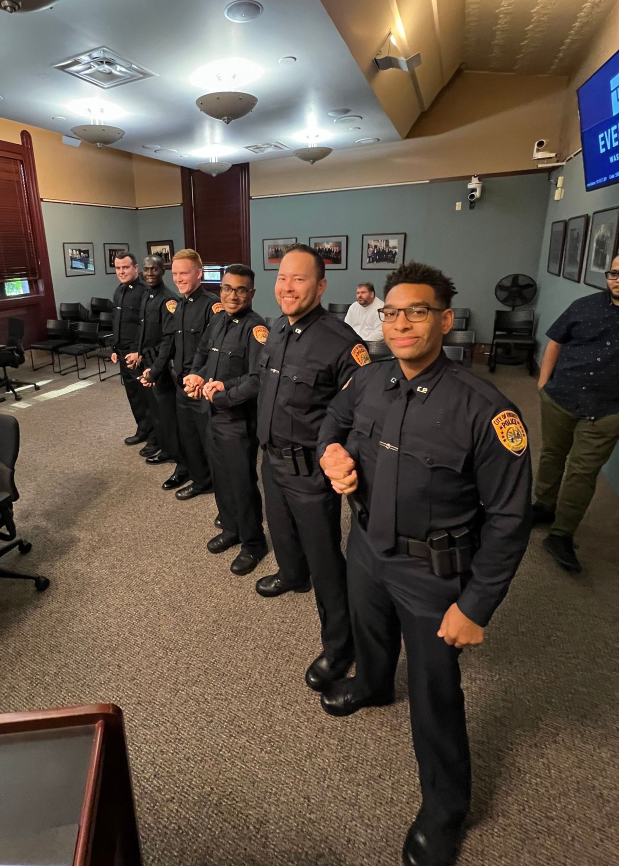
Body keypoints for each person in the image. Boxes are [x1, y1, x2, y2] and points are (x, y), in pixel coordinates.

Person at [317, 261, 532, 866]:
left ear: (444, 319)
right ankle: (372, 684)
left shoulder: (487, 411)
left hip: (433, 573)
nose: (402, 323)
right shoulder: (369, 380)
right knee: (369, 633)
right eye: (392, 312)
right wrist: (332, 453)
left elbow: (511, 521)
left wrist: (475, 604)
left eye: (417, 311)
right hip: (365, 545)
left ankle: (445, 810)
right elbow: (331, 425)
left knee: (437, 694)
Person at [254, 244, 370, 691]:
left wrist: (340, 459)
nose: (287, 286)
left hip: (308, 471)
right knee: (281, 533)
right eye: (282, 277)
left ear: (321, 286)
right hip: (272, 460)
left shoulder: (344, 344)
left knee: (326, 562)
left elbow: (361, 415)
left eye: (299, 279)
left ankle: (341, 648)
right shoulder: (275, 330)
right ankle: (290, 573)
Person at [533, 252, 619, 573]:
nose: (617, 280)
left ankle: (561, 533)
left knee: (582, 472)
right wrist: (543, 384)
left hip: (608, 411)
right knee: (552, 455)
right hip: (561, 397)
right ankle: (543, 505)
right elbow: (555, 340)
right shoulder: (584, 306)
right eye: (613, 274)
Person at [185, 263, 269, 575]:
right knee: (220, 478)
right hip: (211, 414)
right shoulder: (218, 319)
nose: (233, 295)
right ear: (220, 290)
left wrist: (224, 394)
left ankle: (253, 542)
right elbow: (202, 354)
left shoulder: (256, 328)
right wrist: (195, 374)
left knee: (242, 483)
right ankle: (232, 529)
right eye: (227, 288)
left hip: (237, 420)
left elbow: (257, 379)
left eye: (240, 289)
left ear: (252, 293)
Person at [141, 249, 221, 500]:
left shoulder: (212, 306)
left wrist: (201, 377)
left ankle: (215, 484)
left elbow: (216, 351)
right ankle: (197, 477)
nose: (178, 278)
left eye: (184, 273)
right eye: (175, 273)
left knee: (209, 441)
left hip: (201, 386)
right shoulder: (180, 305)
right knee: (186, 437)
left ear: (198, 273)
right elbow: (169, 343)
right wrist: (154, 371)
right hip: (180, 383)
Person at [132, 255, 182, 469]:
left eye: (155, 269)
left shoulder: (168, 299)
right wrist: (138, 352)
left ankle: (172, 451)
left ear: (163, 271)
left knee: (165, 411)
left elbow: (168, 340)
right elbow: (144, 329)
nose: (150, 273)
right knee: (153, 408)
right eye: (146, 269)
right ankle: (163, 445)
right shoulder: (146, 295)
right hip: (146, 360)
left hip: (159, 364)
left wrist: (156, 368)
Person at [110, 252, 151, 448]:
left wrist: (138, 351)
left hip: (137, 354)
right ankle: (142, 429)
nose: (121, 271)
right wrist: (114, 348)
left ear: (136, 268)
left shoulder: (144, 291)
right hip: (122, 352)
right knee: (133, 395)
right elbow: (117, 322)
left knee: (147, 397)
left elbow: (145, 325)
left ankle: (155, 437)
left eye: (125, 267)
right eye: (118, 268)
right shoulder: (119, 290)